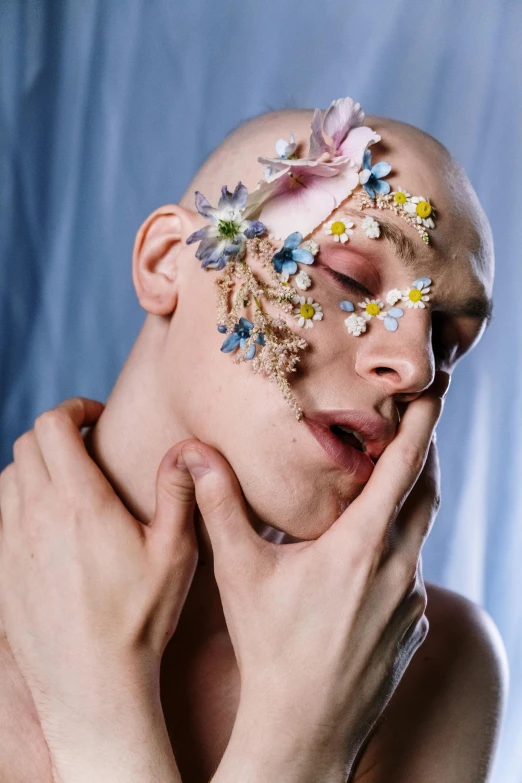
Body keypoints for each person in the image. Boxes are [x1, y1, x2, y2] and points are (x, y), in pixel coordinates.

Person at [0, 99, 508, 783]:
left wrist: (105, 719)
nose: (415, 365)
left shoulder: (438, 661)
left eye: (448, 341)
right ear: (163, 263)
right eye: (353, 278)